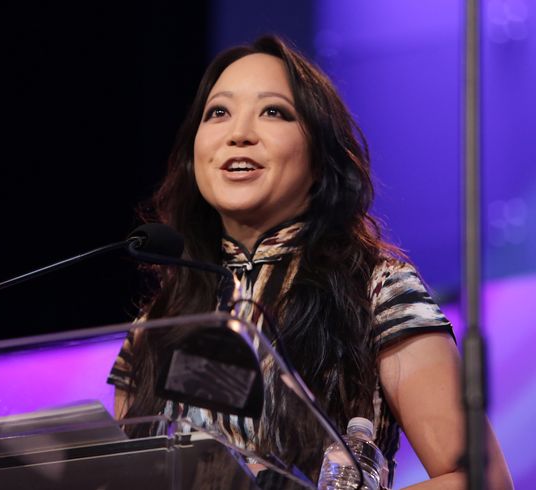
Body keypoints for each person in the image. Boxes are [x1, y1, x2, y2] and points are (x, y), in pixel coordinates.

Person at [108, 35, 512, 489]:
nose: (238, 132)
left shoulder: (376, 289)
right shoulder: (156, 322)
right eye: (218, 112)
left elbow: (485, 480)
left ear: (319, 160)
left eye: (274, 111)